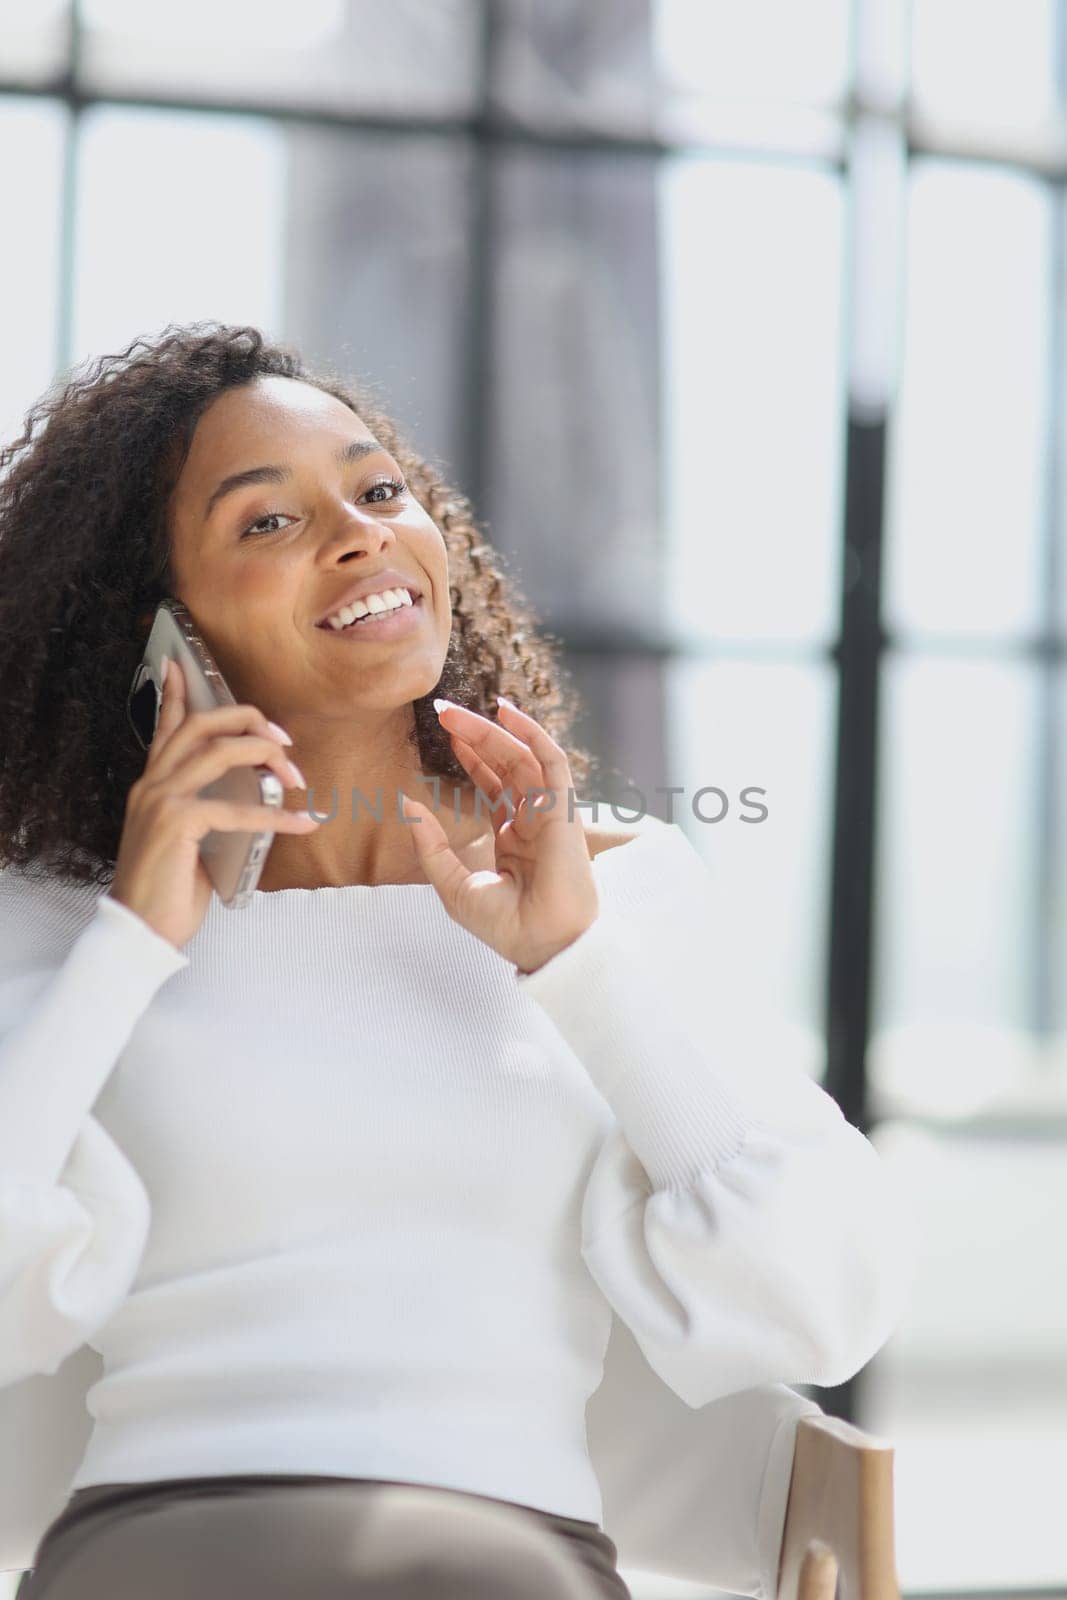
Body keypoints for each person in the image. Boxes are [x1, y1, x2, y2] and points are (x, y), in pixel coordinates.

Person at [0, 324, 913, 1598]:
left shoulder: (612, 886)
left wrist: (578, 969)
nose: (363, 532)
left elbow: (824, 1308)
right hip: (151, 1544)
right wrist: (132, 947)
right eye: (264, 523)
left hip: (501, 1551)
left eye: (378, 491)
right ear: (153, 635)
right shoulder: (62, 920)